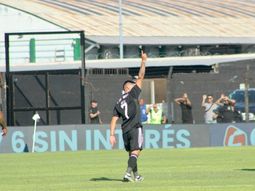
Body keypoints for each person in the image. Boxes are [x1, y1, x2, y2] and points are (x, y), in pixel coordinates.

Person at [110, 51, 147, 182]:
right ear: (128, 88)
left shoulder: (118, 102)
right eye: (132, 84)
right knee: (136, 152)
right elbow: (141, 76)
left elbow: (114, 119)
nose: (135, 85)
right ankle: (127, 174)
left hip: (125, 131)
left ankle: (136, 176)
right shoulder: (132, 94)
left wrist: (112, 134)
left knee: (133, 153)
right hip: (135, 128)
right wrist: (143, 61)